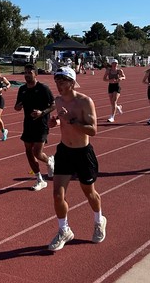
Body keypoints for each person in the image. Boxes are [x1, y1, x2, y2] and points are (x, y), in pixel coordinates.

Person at [46, 67, 106, 251]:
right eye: (57, 81)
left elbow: (93, 130)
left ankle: (99, 220)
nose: (59, 85)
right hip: (64, 151)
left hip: (82, 153)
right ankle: (64, 230)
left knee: (89, 193)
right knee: (57, 194)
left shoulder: (85, 102)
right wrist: (54, 122)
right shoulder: (57, 100)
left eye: (62, 81)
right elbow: (58, 119)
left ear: (72, 82)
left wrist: (71, 120)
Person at [14, 63, 56, 192]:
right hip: (28, 124)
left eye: (29, 73)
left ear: (36, 74)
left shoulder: (43, 88)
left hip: (41, 123)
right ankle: (39, 179)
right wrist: (18, 107)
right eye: (25, 72)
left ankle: (49, 161)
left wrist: (42, 113)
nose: (27, 75)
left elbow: (53, 105)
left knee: (37, 152)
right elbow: (17, 106)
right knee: (28, 151)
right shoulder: (22, 89)